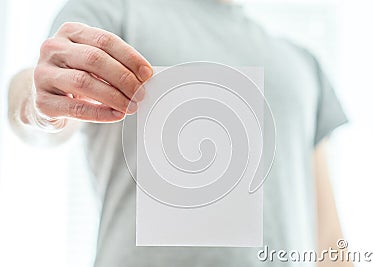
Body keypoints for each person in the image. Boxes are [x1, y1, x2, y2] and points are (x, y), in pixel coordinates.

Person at [8, 0, 352, 266]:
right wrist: (39, 106)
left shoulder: (304, 64)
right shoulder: (113, 13)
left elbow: (329, 238)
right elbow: (47, 106)